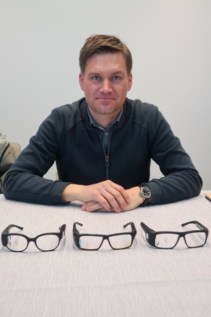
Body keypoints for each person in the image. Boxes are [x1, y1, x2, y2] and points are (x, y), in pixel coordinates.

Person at [3, 34, 202, 212]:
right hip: (76, 220)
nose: (105, 88)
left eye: (116, 77)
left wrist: (140, 193)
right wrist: (79, 192)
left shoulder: (149, 117)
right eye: (96, 78)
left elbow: (189, 177)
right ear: (82, 81)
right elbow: (13, 181)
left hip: (132, 222)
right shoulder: (60, 120)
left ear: (129, 81)